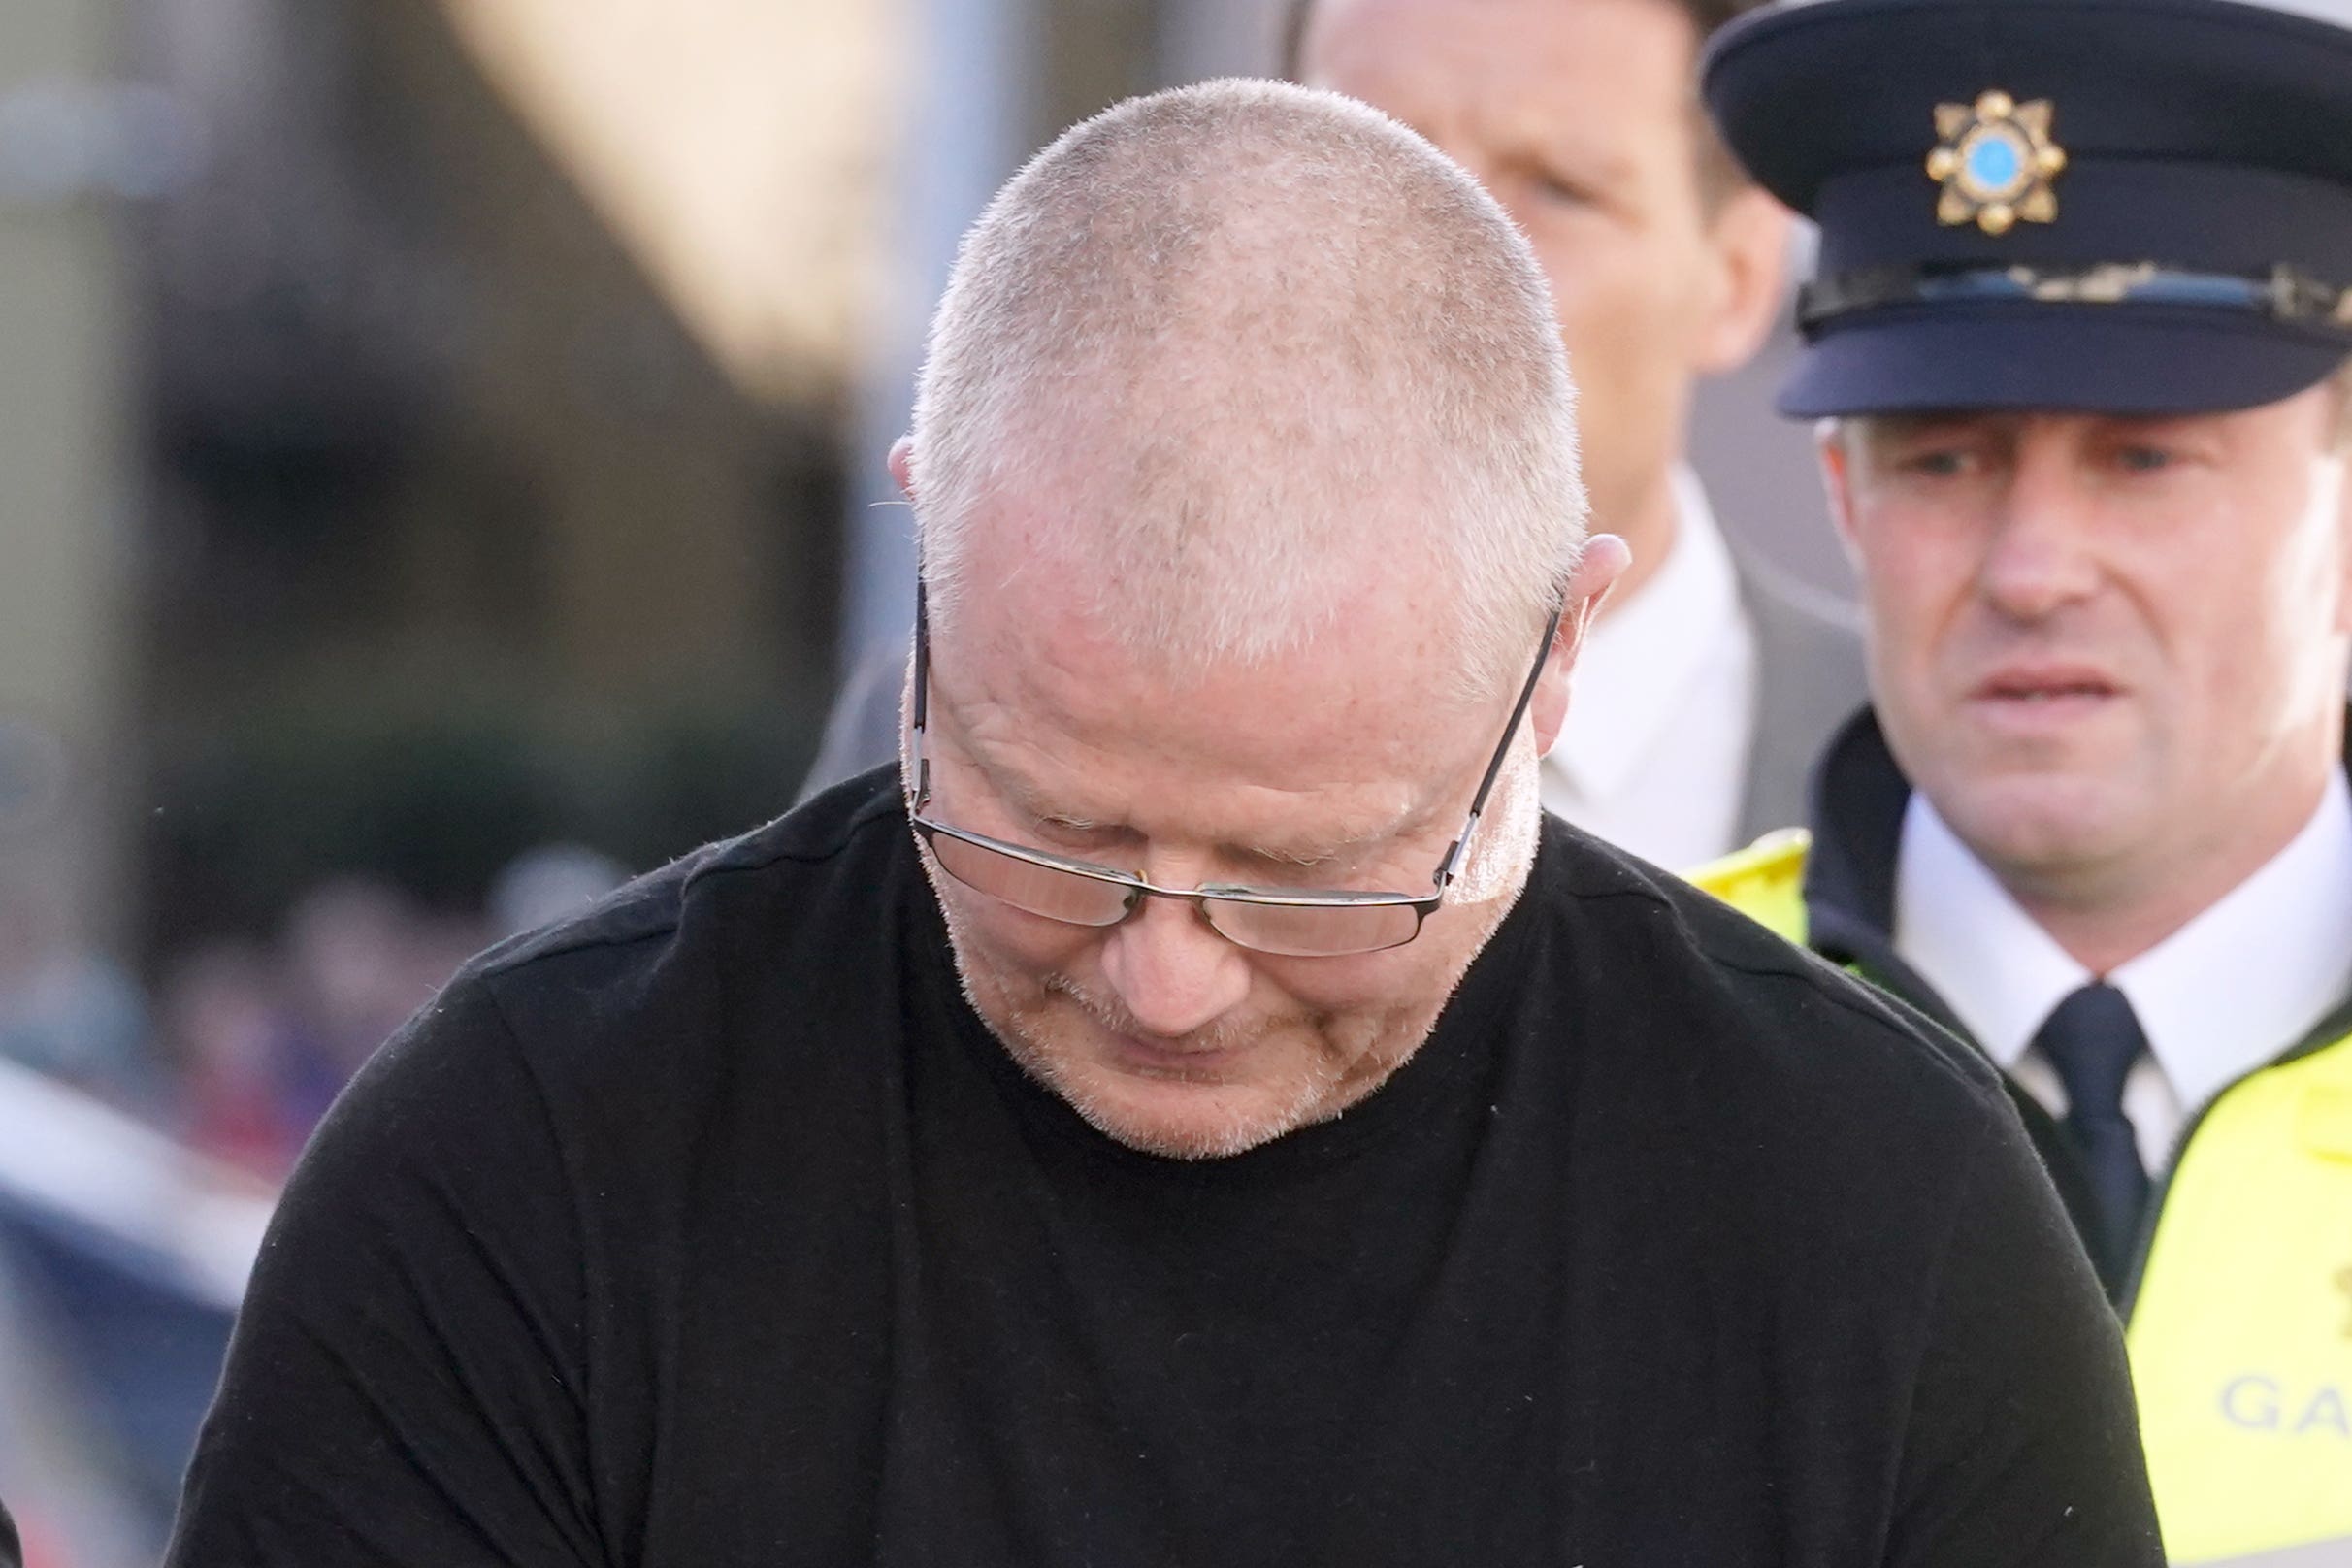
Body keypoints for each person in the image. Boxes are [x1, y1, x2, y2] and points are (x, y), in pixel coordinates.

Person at [168, 82, 2159, 1564]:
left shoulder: (1868, 1219)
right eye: (1046, 827)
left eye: (1308, 873)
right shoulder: (532, 1174)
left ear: (1560, 654)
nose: (1166, 973)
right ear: (924, 553)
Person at [1689, 1, 2352, 1561]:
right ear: (1845, 498)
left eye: (2143, 456)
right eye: (1947, 457)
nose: (2036, 568)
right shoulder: (1637, 1042)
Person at [801, 0, 1867, 871]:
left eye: (1557, 187)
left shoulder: (1916, 769)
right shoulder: (973, 726)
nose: (1436, 262)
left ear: (1740, 274)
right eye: (1369, 161)